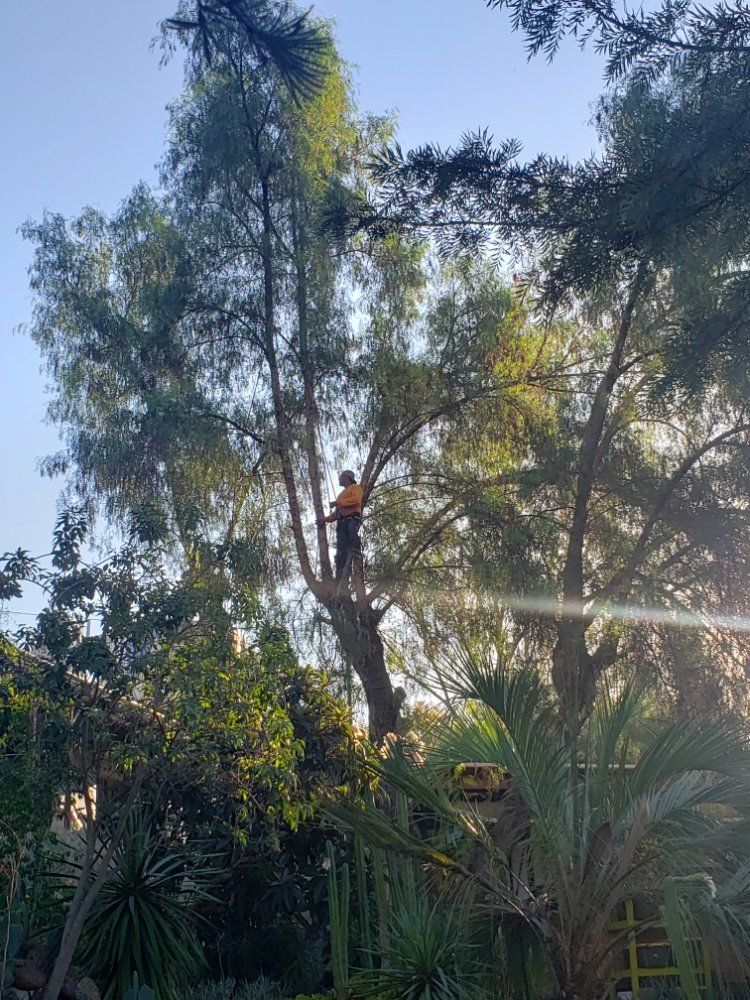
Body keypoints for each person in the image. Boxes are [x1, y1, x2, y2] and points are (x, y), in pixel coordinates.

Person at [319, 470, 363, 580]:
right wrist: (324, 520)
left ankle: (356, 550)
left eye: (341, 477)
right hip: (342, 522)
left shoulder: (355, 488)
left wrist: (337, 503)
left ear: (347, 477)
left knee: (352, 532)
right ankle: (341, 572)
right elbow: (336, 514)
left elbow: (356, 500)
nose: (339, 479)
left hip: (352, 518)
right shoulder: (340, 496)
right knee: (341, 548)